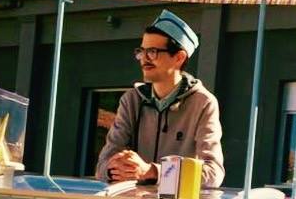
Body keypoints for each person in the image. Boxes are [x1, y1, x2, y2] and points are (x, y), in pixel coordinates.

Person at [95, 9, 225, 188]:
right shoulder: (131, 100)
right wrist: (114, 169)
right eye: (141, 51)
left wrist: (153, 172)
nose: (144, 59)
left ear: (179, 57)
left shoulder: (203, 103)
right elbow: (102, 166)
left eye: (153, 51)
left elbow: (213, 173)